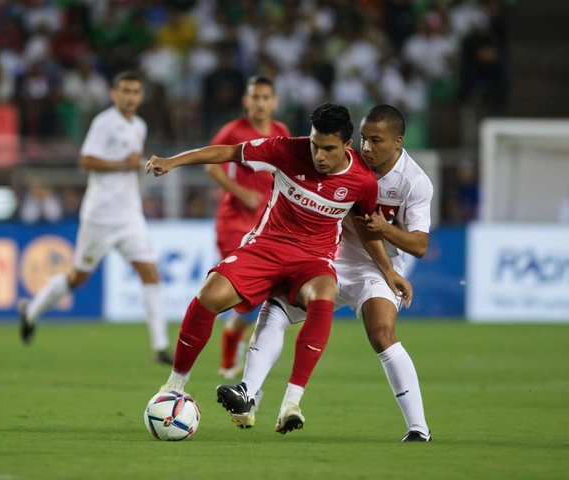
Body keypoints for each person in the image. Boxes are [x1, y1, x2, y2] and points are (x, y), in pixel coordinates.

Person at [145, 102, 411, 434]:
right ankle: (175, 384)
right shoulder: (286, 150)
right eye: (315, 145)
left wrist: (389, 271)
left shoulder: (362, 182)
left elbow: (366, 229)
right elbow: (227, 152)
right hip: (267, 247)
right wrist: (173, 162)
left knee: (325, 292)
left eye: (328, 149)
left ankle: (291, 402)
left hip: (314, 259)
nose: (319, 155)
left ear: (346, 146)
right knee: (208, 296)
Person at [217, 105, 433, 441]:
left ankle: (418, 427)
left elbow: (419, 245)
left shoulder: (415, 182)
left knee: (381, 334)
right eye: (363, 139)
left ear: (398, 142)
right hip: (325, 259)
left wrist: (385, 238)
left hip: (374, 268)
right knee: (274, 311)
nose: (367, 148)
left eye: (377, 141)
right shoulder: (344, 159)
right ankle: (248, 394)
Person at [18, 71, 173, 365]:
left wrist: (140, 167)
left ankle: (160, 347)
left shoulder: (139, 124)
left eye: (135, 92)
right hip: (99, 217)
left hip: (129, 216)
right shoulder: (104, 123)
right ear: (114, 94)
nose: (130, 97)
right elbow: (86, 160)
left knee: (150, 273)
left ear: (141, 96)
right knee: (77, 278)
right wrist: (123, 164)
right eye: (125, 91)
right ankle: (32, 311)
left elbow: (129, 165)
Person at [206, 75, 290, 380]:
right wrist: (240, 192)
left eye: (266, 97)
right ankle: (232, 343)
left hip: (267, 225)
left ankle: (232, 339)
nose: (260, 103)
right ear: (246, 100)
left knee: (260, 295)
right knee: (246, 292)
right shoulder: (234, 130)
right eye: (255, 97)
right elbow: (210, 164)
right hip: (233, 222)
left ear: (274, 101)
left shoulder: (281, 132)